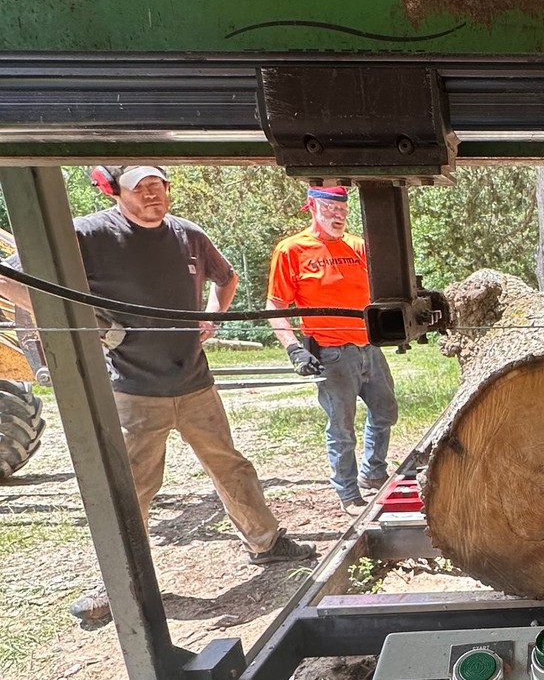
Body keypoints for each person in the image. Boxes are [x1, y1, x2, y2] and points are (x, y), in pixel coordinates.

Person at [1, 164, 316, 627]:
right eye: (140, 188)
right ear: (115, 191)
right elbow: (10, 278)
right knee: (131, 487)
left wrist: (212, 315)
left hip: (194, 381)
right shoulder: (88, 234)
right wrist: (92, 326)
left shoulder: (188, 235)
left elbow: (224, 279)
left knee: (230, 466)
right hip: (133, 390)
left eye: (158, 185)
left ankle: (266, 542)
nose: (152, 195)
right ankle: (118, 582)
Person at [267, 185, 397, 512]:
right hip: (332, 353)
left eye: (343, 209)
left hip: (368, 347)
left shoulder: (358, 247)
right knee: (342, 427)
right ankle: (348, 493)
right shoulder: (292, 250)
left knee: (385, 411)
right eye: (331, 209)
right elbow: (275, 304)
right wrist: (294, 349)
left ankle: (373, 472)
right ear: (312, 206)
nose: (338, 216)